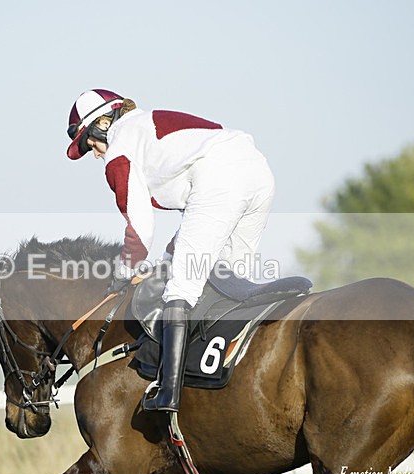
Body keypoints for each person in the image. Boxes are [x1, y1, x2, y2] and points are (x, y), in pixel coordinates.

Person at [66, 89, 276, 413]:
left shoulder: (119, 148)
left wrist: (122, 274)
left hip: (219, 178)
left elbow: (140, 229)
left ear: (103, 123)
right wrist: (166, 258)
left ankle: (168, 394)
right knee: (228, 280)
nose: (94, 153)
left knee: (180, 289)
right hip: (257, 171)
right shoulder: (146, 125)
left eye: (89, 143)